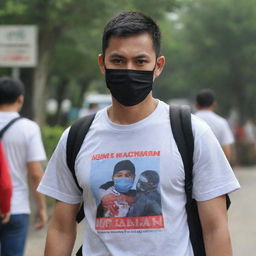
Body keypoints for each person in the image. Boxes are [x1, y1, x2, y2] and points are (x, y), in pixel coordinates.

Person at [38, 11, 240, 255]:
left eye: (141, 61)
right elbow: (61, 227)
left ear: (158, 66)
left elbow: (215, 228)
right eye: (118, 61)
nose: (129, 69)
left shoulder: (192, 132)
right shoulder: (76, 137)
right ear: (102, 64)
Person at [0, 77, 48, 256]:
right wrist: (41, 208)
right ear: (20, 99)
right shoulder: (29, 128)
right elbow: (36, 174)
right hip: (17, 207)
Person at [195, 89, 235, 161]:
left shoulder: (188, 121)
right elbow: (227, 152)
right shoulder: (221, 122)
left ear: (196, 105)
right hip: (215, 166)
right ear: (214, 105)